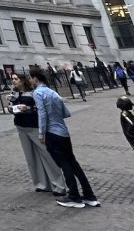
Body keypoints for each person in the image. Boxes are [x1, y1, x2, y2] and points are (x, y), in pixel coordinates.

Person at [30, 71, 99, 208]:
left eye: (30, 78)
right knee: (74, 164)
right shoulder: (52, 92)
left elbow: (42, 114)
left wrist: (41, 133)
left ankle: (74, 196)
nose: (30, 81)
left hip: (52, 133)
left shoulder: (38, 93)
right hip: (63, 132)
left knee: (64, 164)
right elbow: (65, 112)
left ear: (35, 78)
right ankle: (89, 195)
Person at [7, 73, 65, 195]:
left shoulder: (34, 92)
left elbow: (41, 109)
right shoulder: (15, 94)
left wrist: (27, 109)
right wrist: (11, 108)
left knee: (47, 155)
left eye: (16, 79)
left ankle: (59, 185)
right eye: (12, 79)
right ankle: (41, 184)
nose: (13, 81)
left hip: (34, 126)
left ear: (23, 80)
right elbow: (13, 108)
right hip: (21, 127)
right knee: (31, 157)